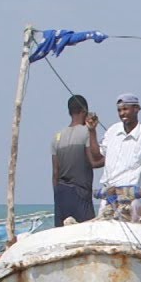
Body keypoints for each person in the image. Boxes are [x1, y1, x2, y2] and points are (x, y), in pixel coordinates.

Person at [92, 93, 141, 223]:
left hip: (130, 196)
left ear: (136, 109)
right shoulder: (112, 131)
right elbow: (96, 158)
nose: (122, 113)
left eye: (126, 109)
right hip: (108, 196)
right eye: (120, 110)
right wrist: (91, 131)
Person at [51, 94, 103, 226]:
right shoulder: (86, 132)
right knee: (85, 231)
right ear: (84, 111)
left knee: (62, 233)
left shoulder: (57, 136)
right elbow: (94, 162)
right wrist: (112, 160)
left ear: (69, 112)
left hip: (61, 194)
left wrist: (57, 196)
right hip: (80, 193)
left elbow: (55, 173)